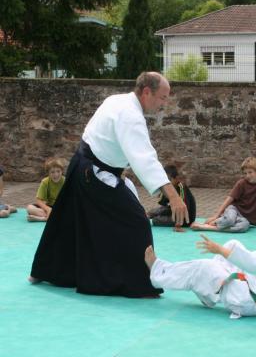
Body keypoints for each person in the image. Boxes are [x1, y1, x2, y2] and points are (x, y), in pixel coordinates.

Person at [29, 72, 188, 298]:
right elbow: (144, 159)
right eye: (162, 97)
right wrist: (173, 196)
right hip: (94, 172)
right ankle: (137, 283)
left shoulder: (116, 99)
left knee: (68, 219)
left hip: (82, 164)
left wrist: (118, 169)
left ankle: (44, 271)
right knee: (137, 221)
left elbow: (105, 138)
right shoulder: (130, 115)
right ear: (146, 92)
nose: (164, 103)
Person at [145, 205, 256, 319]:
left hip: (245, 300)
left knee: (202, 267)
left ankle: (158, 272)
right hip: (255, 300)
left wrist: (220, 250)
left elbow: (254, 263)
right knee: (233, 245)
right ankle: (211, 292)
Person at [191, 157, 256, 232]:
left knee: (244, 226)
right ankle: (216, 221)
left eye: (250, 172)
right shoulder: (241, 183)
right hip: (234, 210)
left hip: (245, 218)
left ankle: (211, 227)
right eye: (245, 173)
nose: (247, 175)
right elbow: (229, 199)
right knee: (230, 220)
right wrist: (216, 215)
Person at [147, 164, 196, 231]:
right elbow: (164, 205)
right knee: (152, 212)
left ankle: (148, 220)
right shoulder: (167, 187)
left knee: (156, 220)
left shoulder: (181, 188)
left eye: (169, 179)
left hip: (184, 219)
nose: (167, 183)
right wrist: (162, 194)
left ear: (176, 179)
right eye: (164, 180)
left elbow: (183, 208)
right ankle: (144, 217)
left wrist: (178, 226)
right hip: (172, 211)